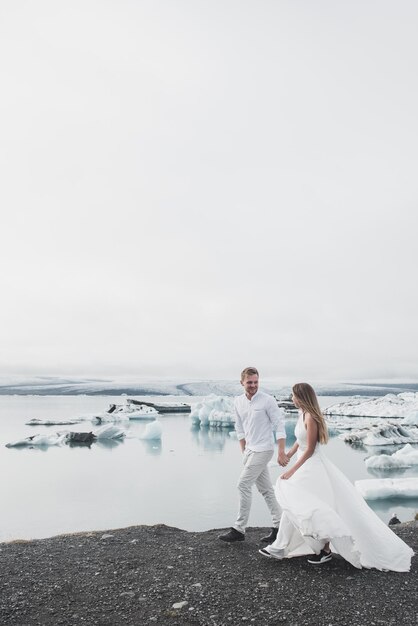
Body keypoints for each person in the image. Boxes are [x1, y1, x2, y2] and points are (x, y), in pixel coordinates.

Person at [259, 383, 414, 571]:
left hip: (312, 466)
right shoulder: (301, 414)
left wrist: (292, 470)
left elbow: (309, 450)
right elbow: (300, 443)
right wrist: (288, 457)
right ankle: (284, 546)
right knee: (295, 504)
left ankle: (319, 549)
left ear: (301, 397)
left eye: (293, 396)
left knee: (312, 506)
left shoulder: (312, 418)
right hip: (303, 464)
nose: (291, 399)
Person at [219, 367, 288, 543]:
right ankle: (280, 526)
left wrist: (281, 451)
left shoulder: (267, 400)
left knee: (242, 485)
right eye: (249, 382)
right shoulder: (238, 401)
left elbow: (279, 425)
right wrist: (244, 449)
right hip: (250, 451)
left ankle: (239, 529)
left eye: (256, 382)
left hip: (264, 449)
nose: (253, 385)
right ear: (242, 382)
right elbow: (239, 427)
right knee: (266, 489)